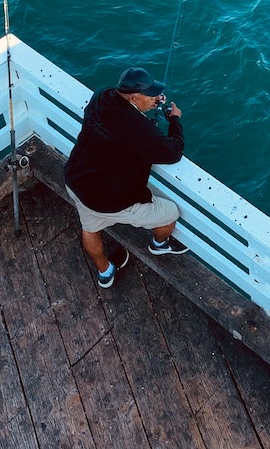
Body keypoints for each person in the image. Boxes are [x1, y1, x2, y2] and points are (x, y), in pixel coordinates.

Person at [63, 66, 189, 288]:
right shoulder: (139, 130)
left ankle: (105, 272)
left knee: (90, 228)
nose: (157, 98)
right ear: (133, 96)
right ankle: (158, 245)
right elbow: (172, 152)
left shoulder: (102, 95)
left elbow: (122, 128)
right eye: (151, 95)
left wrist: (145, 115)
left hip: (76, 181)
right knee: (170, 214)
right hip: (109, 201)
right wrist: (175, 121)